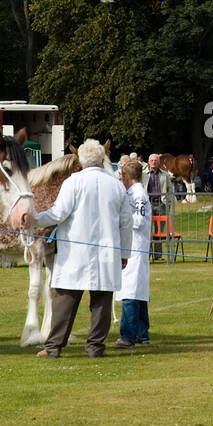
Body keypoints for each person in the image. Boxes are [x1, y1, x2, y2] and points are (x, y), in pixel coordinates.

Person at [33, 138, 132, 358]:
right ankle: (95, 347)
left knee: (64, 300)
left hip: (74, 255)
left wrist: (34, 219)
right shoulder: (116, 185)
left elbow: (58, 214)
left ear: (81, 160)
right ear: (102, 159)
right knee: (101, 303)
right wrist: (125, 253)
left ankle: (53, 347)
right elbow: (126, 223)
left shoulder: (73, 182)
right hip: (107, 253)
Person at [114, 157, 151, 348]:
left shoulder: (138, 195)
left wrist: (121, 216)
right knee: (138, 292)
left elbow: (139, 220)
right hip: (135, 248)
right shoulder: (133, 193)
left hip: (135, 248)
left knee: (130, 292)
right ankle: (142, 333)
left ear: (127, 176)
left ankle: (128, 335)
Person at [144, 153, 176, 261]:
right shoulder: (143, 175)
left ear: (159, 162)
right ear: (149, 162)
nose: (154, 162)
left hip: (161, 205)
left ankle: (158, 255)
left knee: (159, 231)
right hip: (147, 204)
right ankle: (147, 255)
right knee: (147, 230)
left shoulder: (165, 175)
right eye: (152, 160)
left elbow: (170, 190)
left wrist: (168, 204)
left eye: (156, 160)